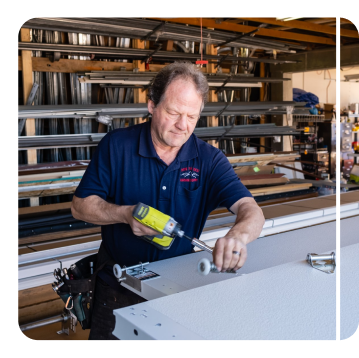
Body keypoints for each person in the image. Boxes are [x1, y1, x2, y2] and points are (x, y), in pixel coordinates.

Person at [71, 62, 265, 341]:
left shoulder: (209, 160)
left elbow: (251, 210)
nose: (182, 126)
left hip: (179, 287)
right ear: (152, 105)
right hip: (116, 286)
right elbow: (79, 206)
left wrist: (237, 237)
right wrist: (125, 214)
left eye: (192, 116)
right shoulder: (117, 146)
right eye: (173, 112)